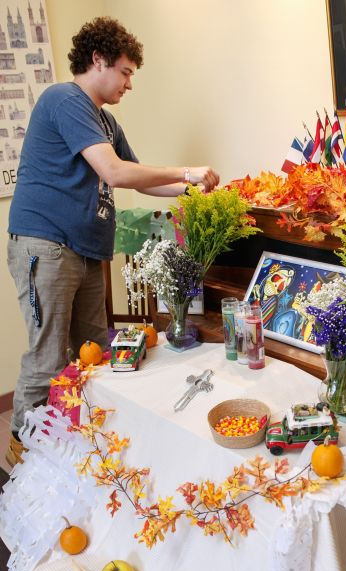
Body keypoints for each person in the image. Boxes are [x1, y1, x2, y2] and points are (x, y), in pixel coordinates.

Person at [6, 17, 219, 466]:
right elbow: (115, 172)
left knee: (93, 354)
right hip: (46, 245)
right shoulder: (65, 99)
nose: (129, 82)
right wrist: (185, 171)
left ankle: (77, 445)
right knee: (49, 359)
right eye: (125, 71)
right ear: (98, 61)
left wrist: (193, 189)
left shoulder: (104, 120)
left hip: (83, 250)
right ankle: (22, 460)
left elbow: (140, 180)